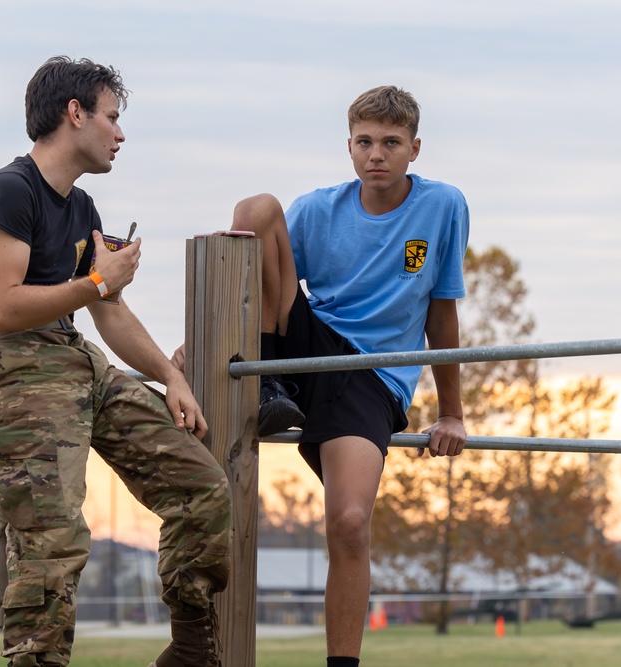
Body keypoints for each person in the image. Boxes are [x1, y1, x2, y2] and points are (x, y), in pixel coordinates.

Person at [0, 56, 231, 667]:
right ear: (74, 114)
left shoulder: (81, 208)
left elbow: (111, 313)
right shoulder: (9, 191)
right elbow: (1, 308)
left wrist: (171, 376)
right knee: (52, 539)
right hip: (12, 364)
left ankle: (190, 653)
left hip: (76, 357)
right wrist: (96, 282)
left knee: (202, 485)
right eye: (112, 117)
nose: (120, 134)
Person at [177, 85, 468, 666]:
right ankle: (272, 383)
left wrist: (452, 410)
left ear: (415, 148)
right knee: (257, 209)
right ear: (350, 146)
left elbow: (441, 309)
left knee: (351, 519)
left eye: (390, 143)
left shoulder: (442, 207)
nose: (376, 155)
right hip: (304, 347)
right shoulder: (319, 209)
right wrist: (198, 345)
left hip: (370, 377)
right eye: (364, 142)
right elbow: (256, 278)